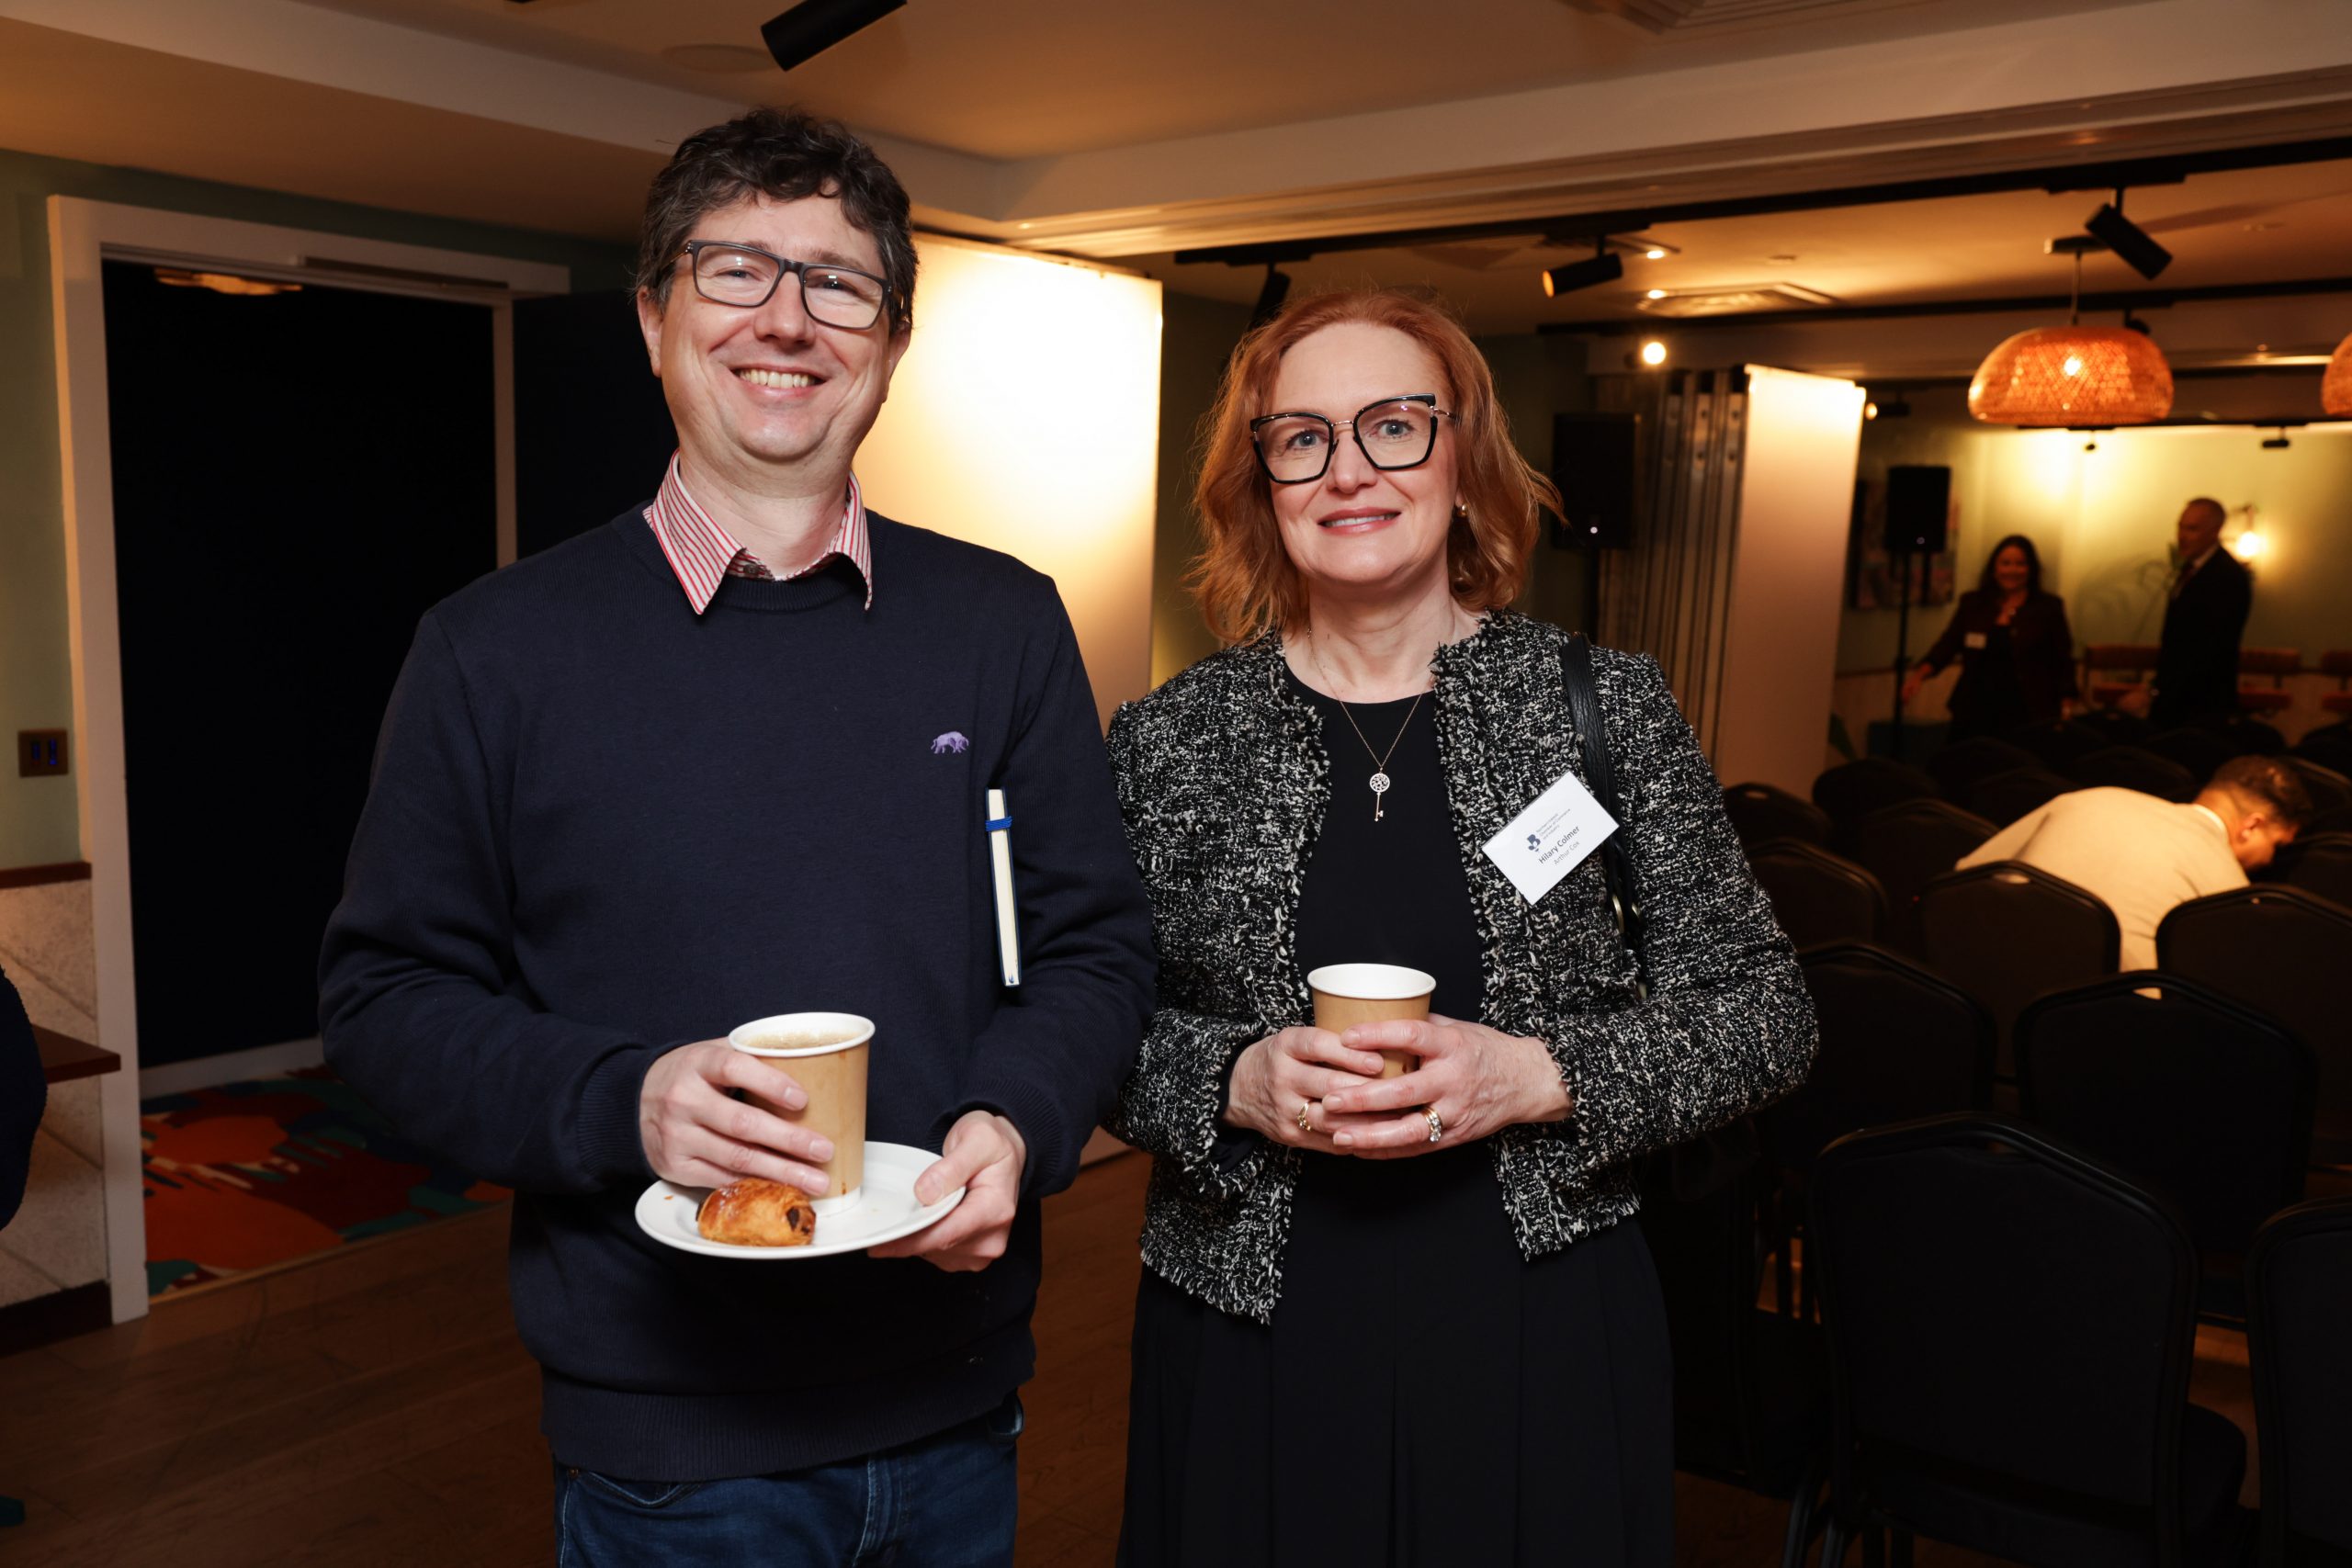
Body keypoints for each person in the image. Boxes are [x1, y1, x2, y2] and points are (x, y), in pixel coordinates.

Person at [319, 107, 1155, 1566]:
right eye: (735, 270)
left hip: (960, 1414)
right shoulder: (492, 651)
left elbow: (1093, 943)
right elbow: (385, 1006)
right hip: (667, 1452)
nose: (788, 317)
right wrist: (623, 1098)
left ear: (890, 346)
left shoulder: (1005, 626)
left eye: (839, 283)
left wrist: (1015, 1118)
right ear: (653, 318)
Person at [1102, 288, 1815, 1566]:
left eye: (1395, 425)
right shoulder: (1169, 739)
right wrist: (1230, 1077)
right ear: (1260, 481)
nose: (1350, 470)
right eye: (1303, 436)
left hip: (1536, 1313)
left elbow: (1765, 1014)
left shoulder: (1604, 707)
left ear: (1464, 461)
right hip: (1252, 1322)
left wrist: (1537, 1074)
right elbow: (1089, 1023)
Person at [1955, 754, 2307, 971]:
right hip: (2104, 1035)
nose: (2272, 859)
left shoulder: (2090, 799)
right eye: (2277, 845)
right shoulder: (2227, 884)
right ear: (2252, 826)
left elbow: (1965, 875)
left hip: (1985, 975)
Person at [1900, 533, 2078, 739]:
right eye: (2005, 563)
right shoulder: (1974, 603)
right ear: (1994, 568)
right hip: (1975, 708)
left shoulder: (2048, 607)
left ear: (2031, 569)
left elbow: (2063, 659)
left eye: (2020, 564)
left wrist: (2066, 704)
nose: (2012, 570)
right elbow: (1948, 644)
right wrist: (1920, 676)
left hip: (2028, 709)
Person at [2149, 497, 2252, 729]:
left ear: (2215, 531)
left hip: (2202, 705)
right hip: (2176, 701)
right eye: (2181, 527)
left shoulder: (2227, 576)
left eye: (2192, 529)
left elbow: (2209, 646)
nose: (2182, 536)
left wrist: (2158, 690)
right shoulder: (2190, 570)